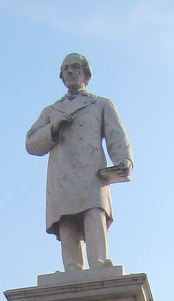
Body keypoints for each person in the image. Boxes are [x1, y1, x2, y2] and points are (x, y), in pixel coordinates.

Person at [26, 53, 133, 271]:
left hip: (91, 171)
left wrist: (123, 160)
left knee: (94, 213)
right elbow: (31, 143)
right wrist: (52, 128)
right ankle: (72, 267)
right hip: (62, 174)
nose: (69, 72)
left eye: (75, 67)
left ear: (86, 74)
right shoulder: (52, 111)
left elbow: (116, 136)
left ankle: (99, 262)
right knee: (66, 218)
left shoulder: (100, 104)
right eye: (65, 69)